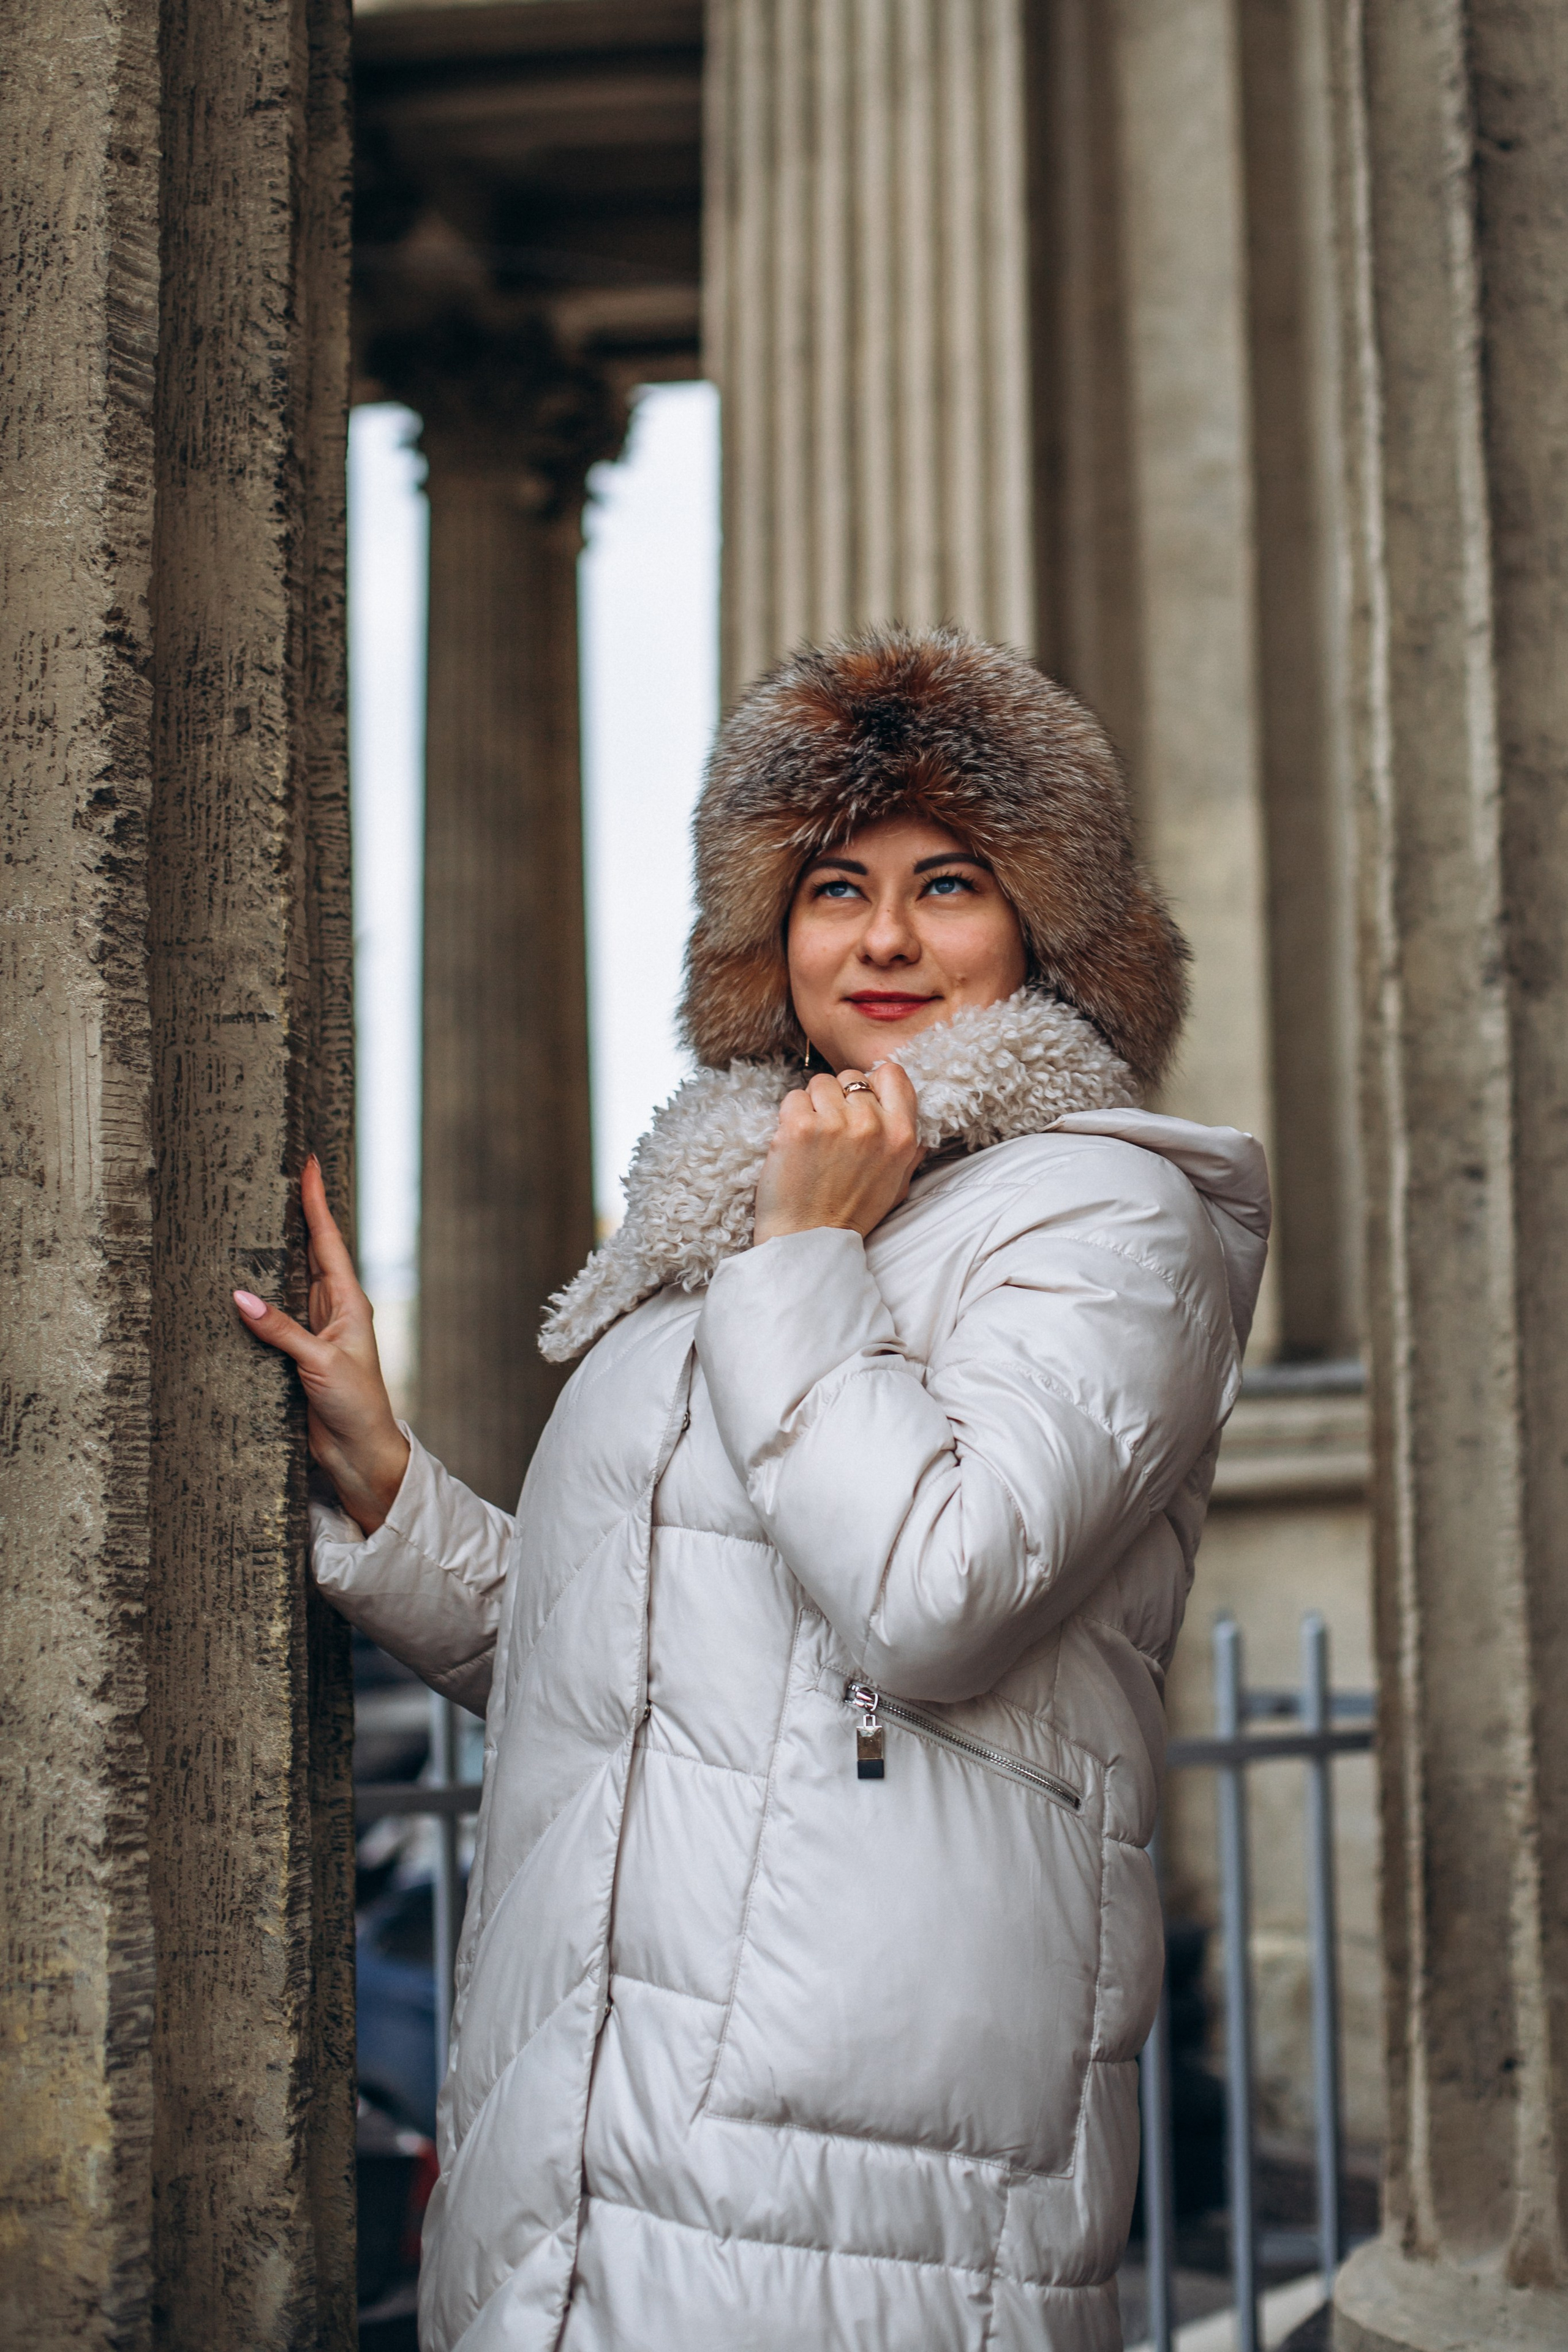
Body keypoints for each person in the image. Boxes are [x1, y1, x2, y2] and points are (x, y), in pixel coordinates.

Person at [238, 626, 1268, 2352]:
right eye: (829, 886)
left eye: (948, 883)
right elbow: (657, 1673)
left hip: (854, 2186)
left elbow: (930, 1595)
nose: (879, 938)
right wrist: (393, 1480)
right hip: (581, 2138)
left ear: (1043, 927)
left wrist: (804, 1262)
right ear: (762, 935)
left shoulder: (1102, 1216)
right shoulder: (722, 1231)